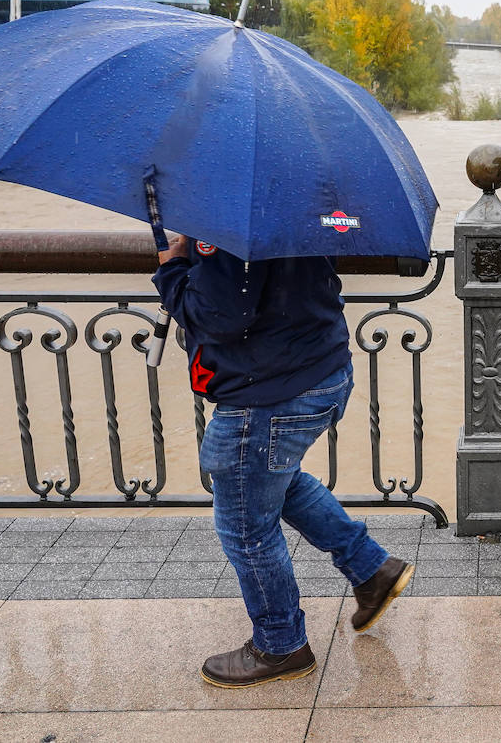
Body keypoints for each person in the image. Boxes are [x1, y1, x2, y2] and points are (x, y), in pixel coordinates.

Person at [154, 236, 414, 688]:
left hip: (269, 390)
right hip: (322, 369)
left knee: (244, 524)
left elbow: (219, 315)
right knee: (271, 479)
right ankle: (371, 569)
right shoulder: (291, 195)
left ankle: (280, 645)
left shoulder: (225, 218)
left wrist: (172, 269)